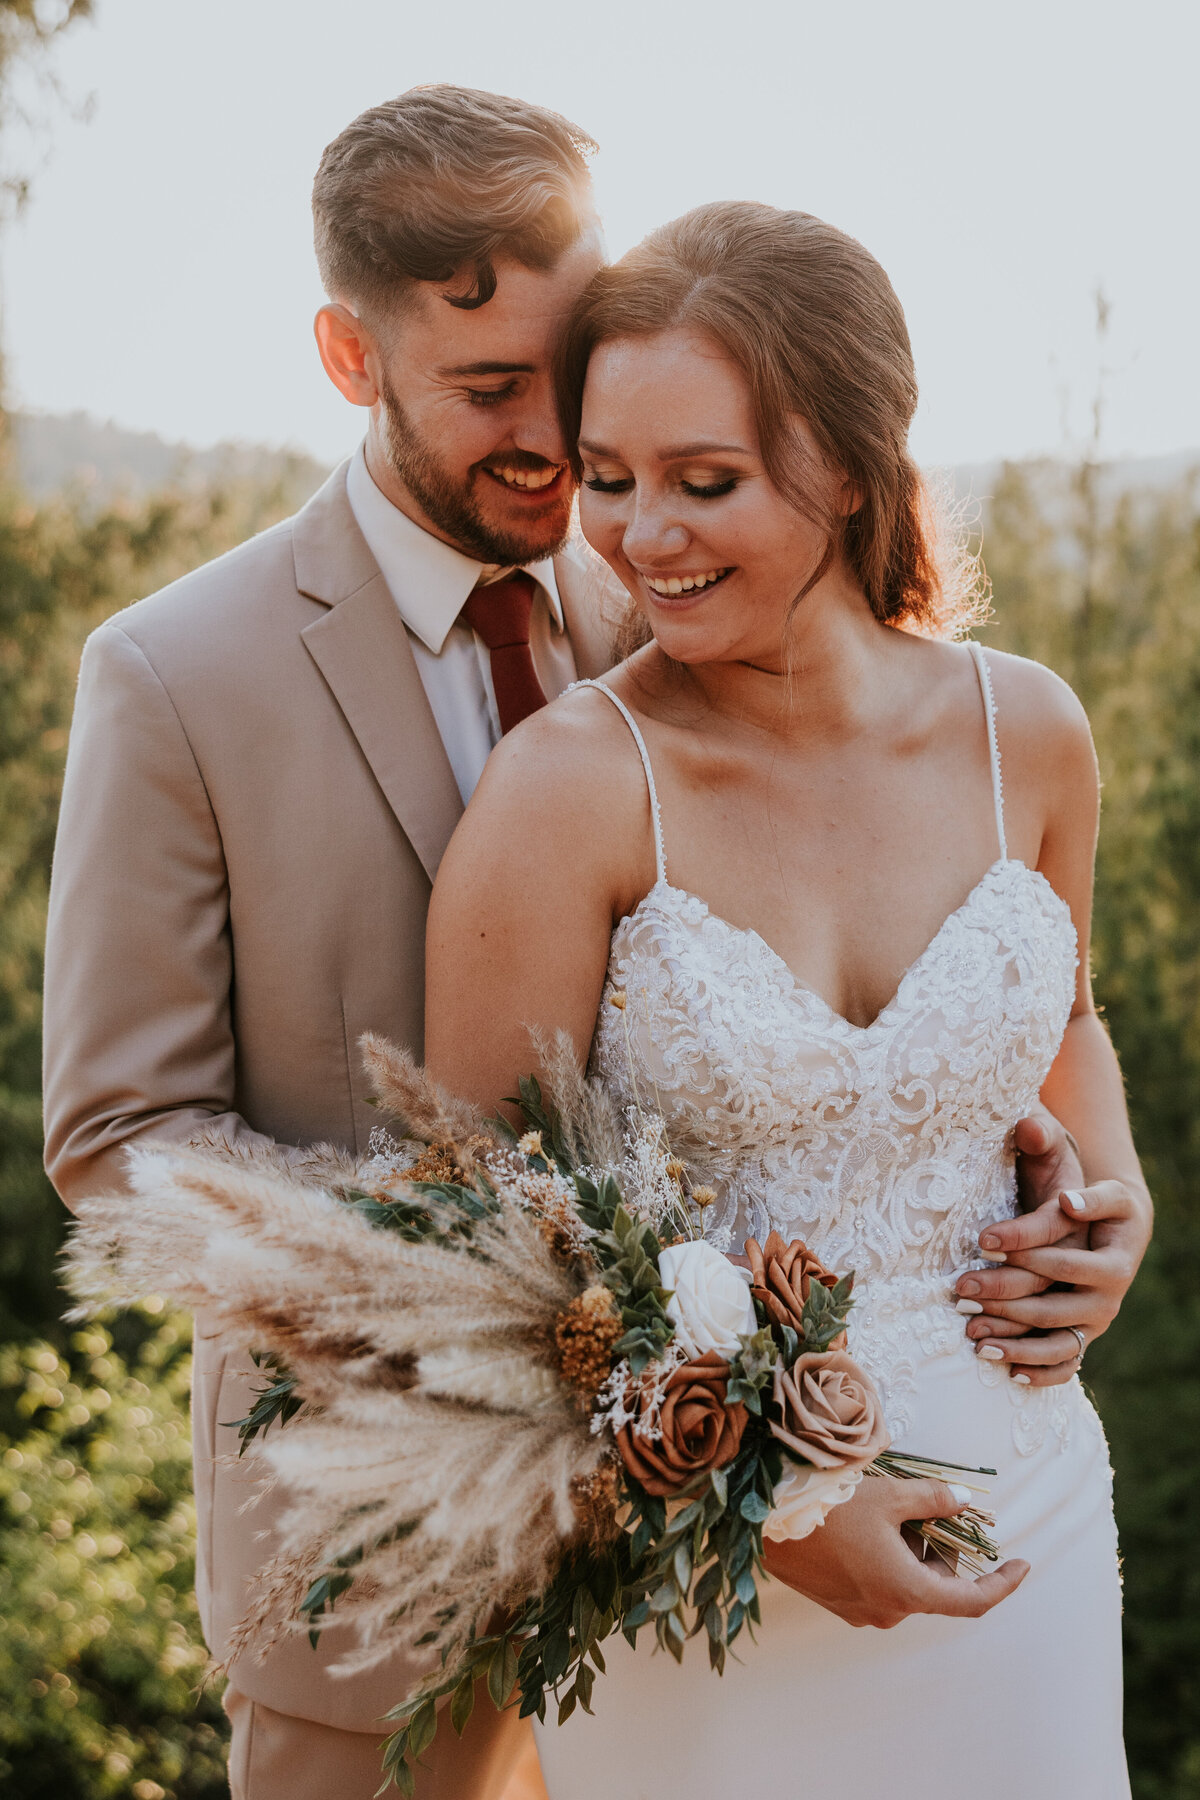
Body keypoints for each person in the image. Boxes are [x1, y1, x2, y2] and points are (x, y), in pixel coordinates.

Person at [424, 202, 1152, 1796]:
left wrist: (1121, 1200)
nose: (640, 536)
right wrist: (777, 1514)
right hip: (709, 1581)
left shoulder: (1024, 731)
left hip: (1022, 1507)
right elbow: (471, 1221)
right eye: (608, 480)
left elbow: (1071, 1019)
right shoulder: (572, 791)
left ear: (851, 468)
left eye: (706, 482)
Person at [42, 85, 616, 1800]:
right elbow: (118, 1135)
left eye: (571, 364)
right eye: (490, 389)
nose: (556, 434)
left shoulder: (669, 588)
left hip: (709, 1591)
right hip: (366, 1577)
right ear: (347, 360)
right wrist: (444, 1309)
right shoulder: (172, 677)